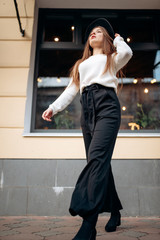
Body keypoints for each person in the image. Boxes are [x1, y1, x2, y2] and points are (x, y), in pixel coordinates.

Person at [42, 18, 133, 240]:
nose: (94, 33)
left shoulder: (112, 59)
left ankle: (88, 223)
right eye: (92, 31)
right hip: (88, 112)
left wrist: (119, 38)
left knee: (96, 161)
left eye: (100, 31)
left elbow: (128, 53)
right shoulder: (81, 65)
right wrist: (54, 107)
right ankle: (115, 211)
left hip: (107, 108)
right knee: (99, 163)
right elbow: (71, 90)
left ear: (108, 39)